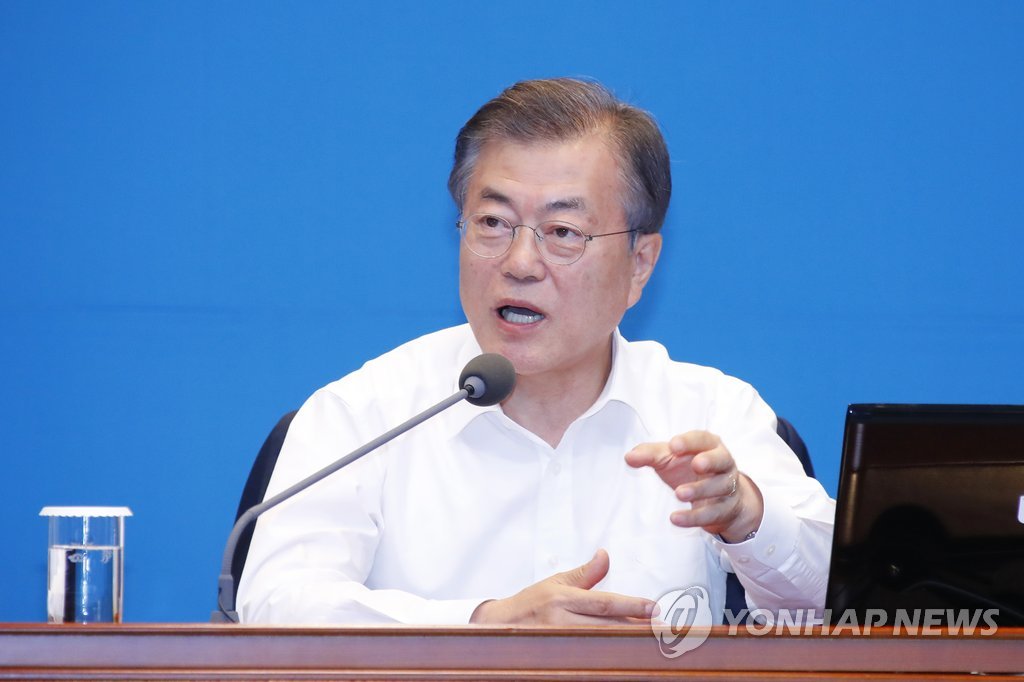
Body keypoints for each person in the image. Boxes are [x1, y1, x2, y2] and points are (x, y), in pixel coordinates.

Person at [237, 77, 835, 625]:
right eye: (493, 223)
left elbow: (844, 602)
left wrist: (744, 517)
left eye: (563, 233)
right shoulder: (364, 416)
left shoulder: (712, 414)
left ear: (640, 264)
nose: (520, 263)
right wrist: (483, 626)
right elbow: (276, 605)